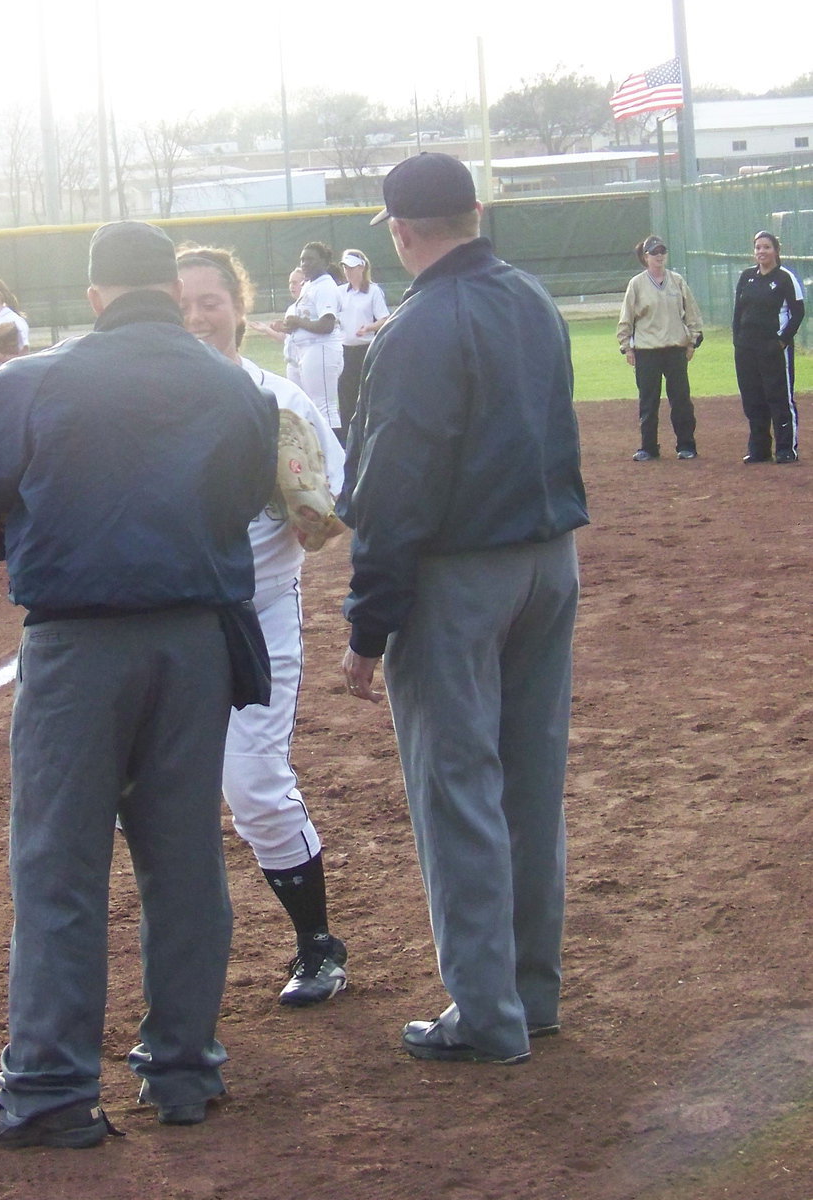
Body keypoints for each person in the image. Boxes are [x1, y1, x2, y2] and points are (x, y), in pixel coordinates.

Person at [0, 221, 278, 1146]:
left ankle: (48, 1086)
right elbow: (244, 496)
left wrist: (49, 538)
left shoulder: (34, 379)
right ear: (168, 288)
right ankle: (184, 1071)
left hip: (79, 647)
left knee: (59, 866)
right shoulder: (232, 383)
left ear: (93, 296)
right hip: (196, 641)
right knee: (184, 858)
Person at [339, 153, 588, 1065]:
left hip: (459, 580)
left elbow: (395, 489)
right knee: (529, 782)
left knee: (458, 789)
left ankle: (486, 1015)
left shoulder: (416, 326)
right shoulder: (533, 298)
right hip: (549, 563)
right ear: (476, 212)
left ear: (401, 231)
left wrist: (368, 623)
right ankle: (531, 995)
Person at [177, 244, 349, 1006]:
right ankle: (179, 972)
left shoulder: (281, 401)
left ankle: (318, 945)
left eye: (209, 301)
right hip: (166, 623)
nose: (196, 318)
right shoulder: (143, 402)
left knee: (253, 785)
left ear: (240, 307)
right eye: (179, 303)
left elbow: (332, 504)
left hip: (257, 616)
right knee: (152, 797)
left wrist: (308, 500)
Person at [616, 236, 704, 461]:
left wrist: (693, 340)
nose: (659, 256)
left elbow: (692, 313)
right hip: (647, 351)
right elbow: (627, 317)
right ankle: (648, 447)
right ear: (645, 257)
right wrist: (626, 347)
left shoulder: (677, 281)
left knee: (681, 400)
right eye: (654, 252)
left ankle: (686, 445)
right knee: (648, 401)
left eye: (662, 251)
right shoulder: (637, 284)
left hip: (675, 349)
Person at [732, 229, 806, 464]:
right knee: (753, 397)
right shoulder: (746, 277)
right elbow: (738, 311)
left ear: (776, 250)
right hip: (746, 348)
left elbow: (798, 313)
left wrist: (781, 341)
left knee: (778, 396)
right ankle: (759, 448)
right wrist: (738, 340)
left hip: (773, 348)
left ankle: (786, 448)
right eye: (758, 247)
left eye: (766, 247)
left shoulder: (785, 277)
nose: (761, 251)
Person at [276, 242, 343, 430]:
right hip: (305, 349)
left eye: (310, 259)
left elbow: (327, 325)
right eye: (302, 260)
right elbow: (306, 320)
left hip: (321, 347)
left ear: (324, 261)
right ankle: (315, 454)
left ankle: (336, 456)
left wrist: (297, 321)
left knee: (324, 407)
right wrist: (290, 326)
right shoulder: (310, 285)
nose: (304, 263)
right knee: (306, 407)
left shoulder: (326, 286)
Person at [336, 249, 390, 443]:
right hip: (344, 351)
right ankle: (347, 439)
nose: (348, 272)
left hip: (365, 350)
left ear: (361, 267)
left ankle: (366, 436)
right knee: (345, 397)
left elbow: (384, 318)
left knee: (366, 395)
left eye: (351, 267)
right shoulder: (340, 292)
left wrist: (369, 327)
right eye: (345, 267)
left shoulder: (373, 291)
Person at [250, 267, 305, 386]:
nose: (291, 286)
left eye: (295, 283)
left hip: (306, 364)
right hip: (292, 365)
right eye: (290, 283)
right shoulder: (291, 309)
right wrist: (266, 329)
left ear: (305, 283)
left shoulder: (309, 307)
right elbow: (284, 338)